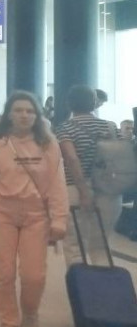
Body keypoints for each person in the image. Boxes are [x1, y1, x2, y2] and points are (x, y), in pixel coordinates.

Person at [0, 91, 68, 327]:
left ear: (37, 115)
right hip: (2, 213)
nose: (24, 115)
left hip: (37, 216)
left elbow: (57, 183)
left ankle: (30, 312)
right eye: (18, 110)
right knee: (3, 273)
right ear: (9, 114)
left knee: (34, 275)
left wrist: (59, 218)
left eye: (30, 111)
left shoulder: (49, 145)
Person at [56, 84, 121, 265]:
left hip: (75, 189)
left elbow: (71, 159)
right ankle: (103, 282)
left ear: (69, 104)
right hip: (109, 191)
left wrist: (84, 191)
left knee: (75, 245)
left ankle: (80, 283)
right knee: (101, 245)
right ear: (94, 103)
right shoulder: (110, 127)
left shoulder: (65, 128)